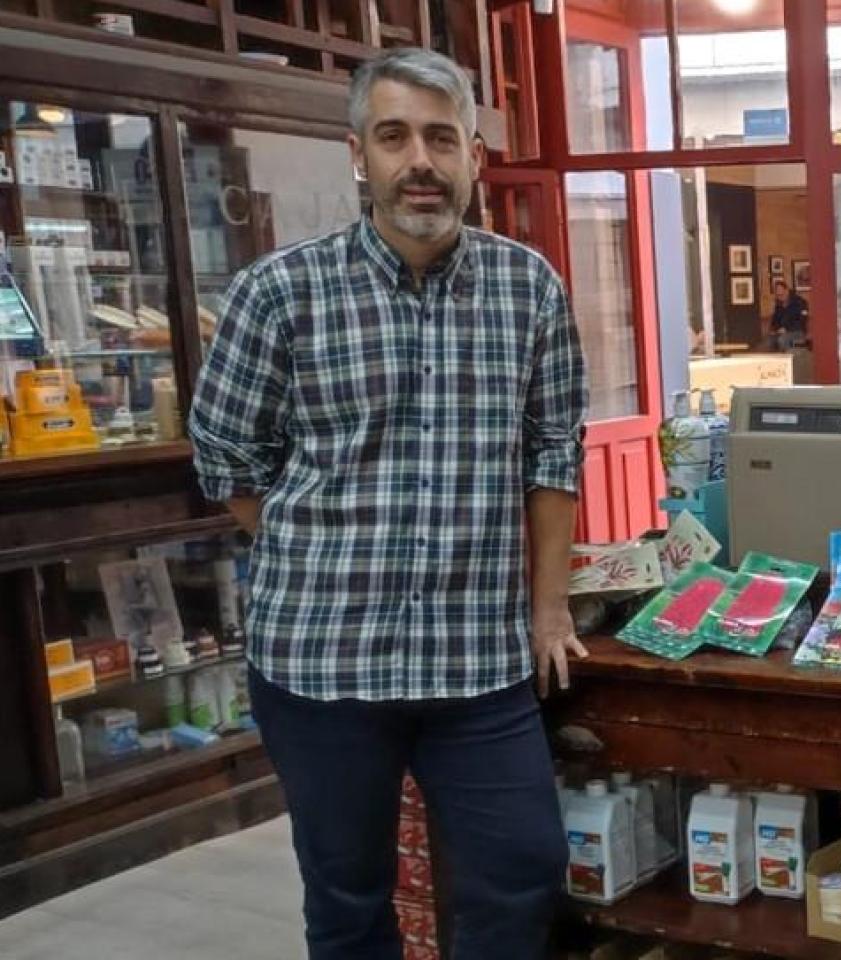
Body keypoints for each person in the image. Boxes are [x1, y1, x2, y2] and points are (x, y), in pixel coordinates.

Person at [189, 48, 586, 960]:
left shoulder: (528, 290)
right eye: (395, 136)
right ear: (358, 154)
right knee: (347, 895)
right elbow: (226, 457)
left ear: (474, 157)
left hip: (477, 663)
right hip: (322, 666)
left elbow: (553, 452)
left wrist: (549, 605)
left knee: (522, 869)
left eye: (442, 138)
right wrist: (305, 547)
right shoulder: (277, 294)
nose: (421, 161)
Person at [769, 279, 809, 350]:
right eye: (778, 295)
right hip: (782, 332)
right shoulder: (778, 304)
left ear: (786, 290)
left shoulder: (800, 302)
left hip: (797, 331)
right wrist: (774, 329)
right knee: (768, 342)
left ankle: (788, 359)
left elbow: (802, 321)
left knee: (782, 340)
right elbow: (775, 320)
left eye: (781, 294)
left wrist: (787, 329)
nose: (780, 297)